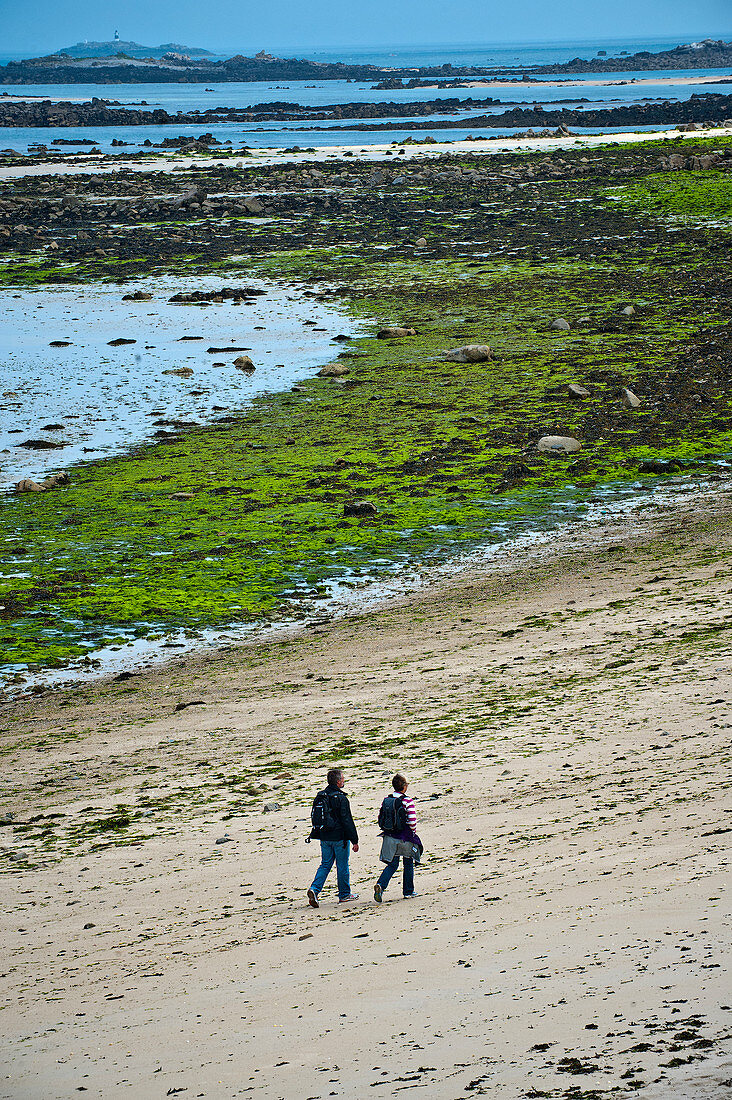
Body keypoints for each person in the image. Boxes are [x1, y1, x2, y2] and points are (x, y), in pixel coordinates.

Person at [307, 767, 359, 907]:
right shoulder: (341, 798)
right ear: (337, 782)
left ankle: (314, 889)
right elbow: (347, 820)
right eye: (342, 778)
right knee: (342, 866)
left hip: (324, 837)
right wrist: (355, 840)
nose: (344, 780)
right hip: (339, 838)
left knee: (325, 864)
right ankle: (344, 894)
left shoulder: (321, 796)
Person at [374, 773, 420, 903]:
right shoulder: (407, 800)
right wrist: (413, 832)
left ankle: (381, 885)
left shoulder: (387, 800)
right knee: (408, 863)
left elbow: (381, 817)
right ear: (404, 787)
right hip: (404, 836)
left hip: (389, 836)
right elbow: (412, 821)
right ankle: (408, 891)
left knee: (392, 864)